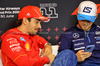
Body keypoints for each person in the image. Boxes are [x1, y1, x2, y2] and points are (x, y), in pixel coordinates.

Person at [52, 1, 100, 66]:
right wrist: (75, 58)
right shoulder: (67, 34)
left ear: (96, 16)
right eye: (82, 19)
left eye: (89, 20)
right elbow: (61, 60)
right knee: (67, 53)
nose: (85, 23)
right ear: (77, 15)